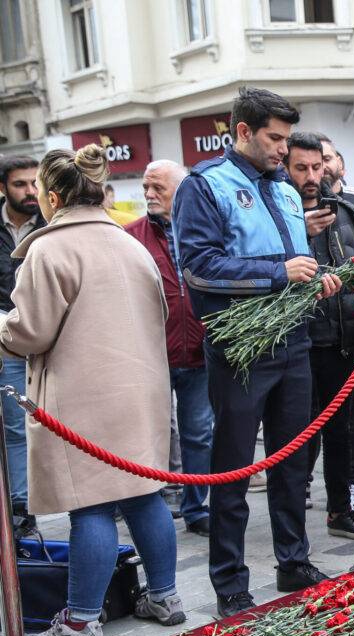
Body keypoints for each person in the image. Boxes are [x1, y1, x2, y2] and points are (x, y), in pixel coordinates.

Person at [3, 145, 184, 636]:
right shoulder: (131, 245)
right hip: (142, 388)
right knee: (143, 494)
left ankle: (81, 624)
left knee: (91, 507)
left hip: (82, 394)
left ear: (53, 196)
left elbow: (29, 333)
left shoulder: (49, 248)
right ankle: (165, 598)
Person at [174, 87, 338, 618]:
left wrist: (318, 281)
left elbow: (298, 265)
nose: (282, 150)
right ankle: (229, 580)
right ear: (242, 131)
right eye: (274, 138)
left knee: (293, 462)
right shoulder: (204, 186)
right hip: (240, 348)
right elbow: (197, 267)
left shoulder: (289, 191)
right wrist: (276, 273)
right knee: (233, 469)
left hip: (293, 343)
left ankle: (293, 560)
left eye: (286, 140)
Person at [283, 132, 354, 540]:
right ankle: (289, 517)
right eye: (301, 167)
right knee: (296, 436)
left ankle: (341, 508)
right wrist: (299, 232)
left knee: (342, 432)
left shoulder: (348, 211)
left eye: (316, 166)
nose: (310, 175)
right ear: (285, 168)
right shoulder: (277, 213)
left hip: (342, 339)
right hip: (296, 343)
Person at [125, 160, 213, 537]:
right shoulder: (129, 237)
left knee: (199, 435)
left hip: (198, 353)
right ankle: (147, 506)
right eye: (146, 187)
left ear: (182, 190)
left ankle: (197, 508)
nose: (149, 195)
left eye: (158, 188)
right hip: (150, 358)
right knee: (147, 438)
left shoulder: (203, 230)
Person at [0, 155, 44, 537]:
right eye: (20, 184)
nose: (30, 191)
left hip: (48, 339)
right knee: (16, 428)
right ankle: (21, 506)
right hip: (8, 346)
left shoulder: (49, 225)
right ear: (3, 188)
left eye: (35, 183)